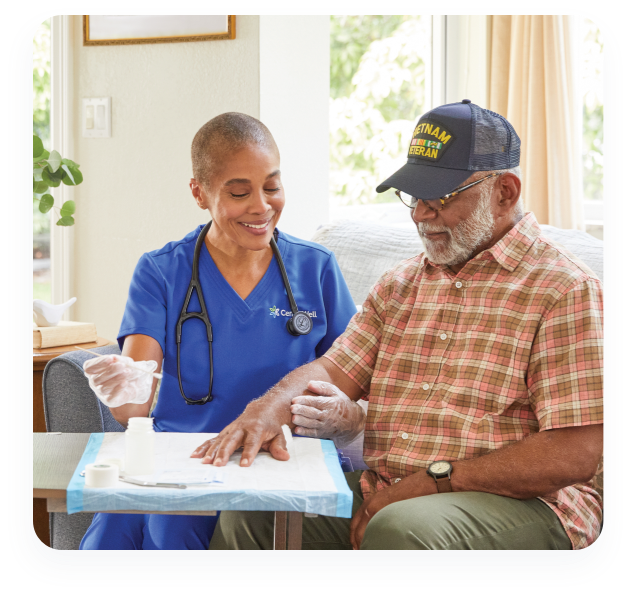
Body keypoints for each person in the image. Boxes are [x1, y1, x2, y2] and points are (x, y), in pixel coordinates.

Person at [195, 100, 605, 551]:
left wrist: (434, 481)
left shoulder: (565, 290)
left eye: (440, 197)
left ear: (504, 192)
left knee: (401, 530)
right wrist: (263, 412)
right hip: (390, 495)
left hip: (527, 506)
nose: (420, 214)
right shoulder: (400, 285)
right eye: (414, 195)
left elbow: (576, 453)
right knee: (253, 511)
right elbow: (331, 373)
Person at [79, 112, 357, 550]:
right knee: (105, 544)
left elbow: (352, 376)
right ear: (199, 192)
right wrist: (121, 386)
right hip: (182, 457)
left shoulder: (316, 268)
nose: (262, 207)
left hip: (277, 456)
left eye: (271, 187)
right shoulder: (160, 271)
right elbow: (133, 406)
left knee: (171, 538)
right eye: (239, 192)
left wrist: (344, 412)